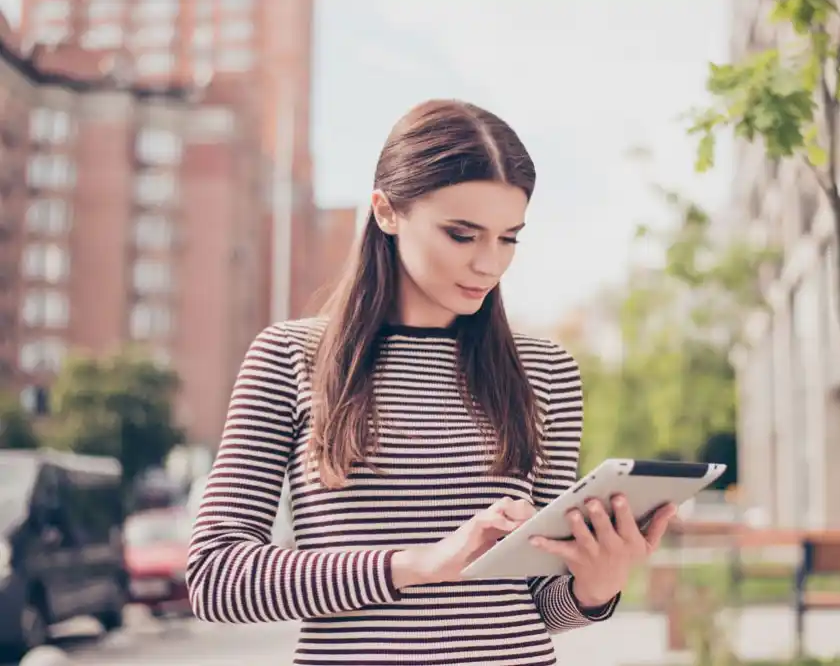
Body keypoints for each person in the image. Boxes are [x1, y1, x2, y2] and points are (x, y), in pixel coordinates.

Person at [186, 99, 676, 665]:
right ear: (387, 213)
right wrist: (420, 563)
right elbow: (215, 578)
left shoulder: (546, 371)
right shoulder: (291, 357)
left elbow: (539, 605)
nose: (489, 264)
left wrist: (597, 586)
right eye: (462, 235)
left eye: (509, 238)